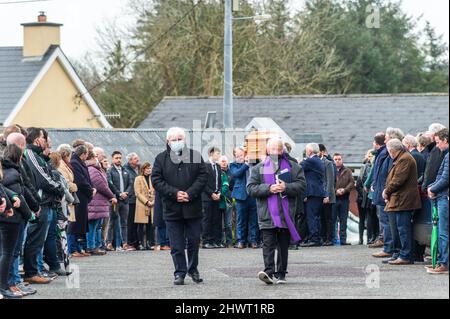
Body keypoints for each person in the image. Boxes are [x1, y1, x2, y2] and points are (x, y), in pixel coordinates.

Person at [151, 127, 208, 285]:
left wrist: (190, 193)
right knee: (176, 244)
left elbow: (203, 176)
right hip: (172, 208)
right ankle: (180, 272)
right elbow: (156, 180)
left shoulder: (195, 156)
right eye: (174, 140)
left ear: (184, 140)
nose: (177, 142)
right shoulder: (160, 159)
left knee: (194, 240)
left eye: (179, 139)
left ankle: (193, 269)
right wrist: (175, 193)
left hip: (193, 207)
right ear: (168, 141)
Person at [247, 138, 306, 284]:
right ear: (267, 150)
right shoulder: (258, 168)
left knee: (283, 245)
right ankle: (268, 272)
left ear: (282, 150)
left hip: (286, 213)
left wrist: (287, 186)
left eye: (278, 149)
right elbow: (250, 188)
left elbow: (302, 185)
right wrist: (269, 188)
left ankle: (281, 274)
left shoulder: (293, 167)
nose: (275, 151)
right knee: (268, 244)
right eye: (272, 149)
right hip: (266, 213)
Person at [22, 128, 64, 285]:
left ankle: (35, 271)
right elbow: (42, 179)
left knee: (39, 240)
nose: (46, 141)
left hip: (44, 202)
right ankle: (31, 272)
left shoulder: (39, 156)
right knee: (34, 239)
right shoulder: (31, 154)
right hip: (39, 203)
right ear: (36, 140)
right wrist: (59, 188)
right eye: (43, 137)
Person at [382, 139, 421, 265]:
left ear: (392, 150)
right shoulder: (402, 157)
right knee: (399, 228)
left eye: (389, 151)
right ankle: (399, 254)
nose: (389, 154)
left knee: (403, 229)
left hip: (403, 200)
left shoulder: (404, 159)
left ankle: (405, 255)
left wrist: (386, 191)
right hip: (400, 199)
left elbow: (398, 180)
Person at [371, 128, 404, 260]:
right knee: (384, 221)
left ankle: (389, 248)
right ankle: (388, 247)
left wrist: (385, 190)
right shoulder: (384, 152)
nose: (384, 140)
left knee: (387, 222)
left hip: (385, 193)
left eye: (386, 138)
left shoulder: (389, 153)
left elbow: (390, 174)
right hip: (381, 191)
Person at [426, 128, 449, 274]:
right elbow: (441, 175)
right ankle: (441, 261)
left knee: (443, 231)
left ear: (446, 140)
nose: (437, 146)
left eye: (438, 142)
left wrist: (432, 189)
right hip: (442, 195)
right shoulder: (446, 156)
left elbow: (446, 178)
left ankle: (443, 263)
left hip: (444, 198)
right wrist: (431, 187)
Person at [67, 144, 95, 258]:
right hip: (78, 196)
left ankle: (79, 248)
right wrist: (90, 190)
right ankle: (73, 249)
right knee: (75, 223)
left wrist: (91, 189)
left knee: (81, 224)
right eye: (87, 154)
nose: (87, 156)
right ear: (83, 154)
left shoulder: (80, 162)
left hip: (83, 197)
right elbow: (81, 180)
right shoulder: (75, 162)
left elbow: (87, 178)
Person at [87, 150, 116, 256]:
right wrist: (112, 196)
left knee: (96, 226)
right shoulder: (92, 169)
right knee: (93, 226)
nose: (97, 158)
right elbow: (101, 185)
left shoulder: (95, 169)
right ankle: (91, 246)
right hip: (95, 203)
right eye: (95, 156)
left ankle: (96, 245)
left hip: (97, 203)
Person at [0, 171, 23, 299]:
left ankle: (4, 286)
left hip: (6, 215)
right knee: (7, 253)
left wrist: (12, 197)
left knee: (5, 253)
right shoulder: (13, 173)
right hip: (7, 219)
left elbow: (2, 188)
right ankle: (3, 287)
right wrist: (7, 206)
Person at [230, 147, 258, 249]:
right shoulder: (233, 165)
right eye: (238, 156)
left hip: (253, 194)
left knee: (253, 220)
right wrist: (246, 164)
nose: (240, 157)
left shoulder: (254, 163)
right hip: (240, 196)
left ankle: (253, 240)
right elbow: (236, 174)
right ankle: (241, 241)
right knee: (240, 220)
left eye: (241, 155)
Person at [300, 143, 327, 247]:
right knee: (315, 216)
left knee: (312, 217)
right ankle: (316, 238)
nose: (306, 152)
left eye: (306, 150)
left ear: (310, 151)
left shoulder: (311, 160)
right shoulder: (317, 160)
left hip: (313, 192)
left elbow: (298, 168)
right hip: (317, 192)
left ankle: (314, 239)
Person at [107, 151, 133, 251]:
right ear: (112, 159)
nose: (118, 160)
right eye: (116, 158)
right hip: (115, 200)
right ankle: (109, 243)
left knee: (124, 222)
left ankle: (125, 243)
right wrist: (119, 193)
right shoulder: (110, 171)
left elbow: (131, 183)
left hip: (125, 200)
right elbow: (110, 184)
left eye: (120, 158)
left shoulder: (125, 170)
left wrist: (126, 193)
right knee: (112, 222)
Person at [365, 133, 385, 248]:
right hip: (379, 188)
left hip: (380, 190)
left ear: (376, 143)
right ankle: (381, 238)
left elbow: (374, 172)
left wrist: (368, 184)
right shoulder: (381, 153)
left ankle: (382, 239)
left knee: (381, 217)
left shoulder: (379, 155)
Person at [201, 147, 223, 249]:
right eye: (217, 154)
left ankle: (215, 240)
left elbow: (219, 182)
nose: (219, 156)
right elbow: (203, 182)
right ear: (211, 154)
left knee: (216, 219)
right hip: (207, 197)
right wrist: (211, 193)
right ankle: (206, 241)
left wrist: (219, 193)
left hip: (217, 197)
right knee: (207, 219)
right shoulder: (205, 166)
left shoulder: (218, 166)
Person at [332, 153, 355, 245]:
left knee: (343, 220)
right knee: (333, 220)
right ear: (333, 160)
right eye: (336, 159)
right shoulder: (331, 170)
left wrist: (344, 190)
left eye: (339, 159)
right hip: (334, 199)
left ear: (342, 160)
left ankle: (343, 240)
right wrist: (335, 191)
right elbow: (328, 183)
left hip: (344, 199)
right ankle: (332, 239)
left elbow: (352, 182)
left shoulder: (347, 171)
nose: (337, 161)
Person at [134, 162, 155, 250]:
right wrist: (146, 202)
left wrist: (153, 201)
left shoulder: (152, 178)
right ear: (143, 169)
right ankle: (140, 243)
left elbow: (155, 191)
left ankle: (148, 243)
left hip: (152, 204)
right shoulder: (138, 178)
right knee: (141, 225)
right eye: (147, 168)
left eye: (150, 168)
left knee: (150, 225)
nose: (149, 170)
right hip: (142, 204)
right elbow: (137, 193)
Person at [319, 144, 336, 246]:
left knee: (328, 218)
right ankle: (324, 237)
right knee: (322, 218)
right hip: (320, 195)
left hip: (327, 196)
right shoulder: (318, 163)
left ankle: (329, 239)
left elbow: (330, 181)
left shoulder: (328, 163)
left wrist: (327, 195)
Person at [124, 153, 140, 249]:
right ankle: (130, 242)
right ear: (130, 160)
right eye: (135, 158)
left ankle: (135, 241)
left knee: (134, 222)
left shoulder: (136, 169)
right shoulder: (126, 169)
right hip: (130, 199)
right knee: (130, 222)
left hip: (136, 199)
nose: (137, 160)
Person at [218, 155, 233, 248]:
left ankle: (229, 241)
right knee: (220, 222)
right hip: (218, 200)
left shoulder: (231, 173)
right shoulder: (216, 171)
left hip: (228, 200)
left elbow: (233, 185)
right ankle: (220, 241)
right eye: (222, 161)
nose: (223, 163)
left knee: (228, 223)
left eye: (225, 161)